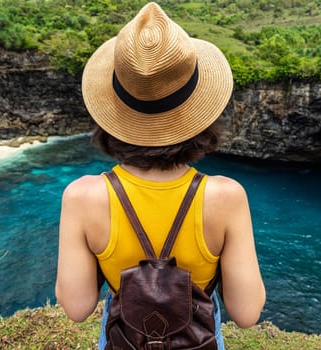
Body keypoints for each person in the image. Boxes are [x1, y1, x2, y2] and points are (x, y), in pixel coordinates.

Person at [55, 2, 266, 348]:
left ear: (113, 115)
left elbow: (77, 308)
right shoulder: (226, 196)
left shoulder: (82, 197)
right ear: (199, 115)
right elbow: (247, 313)